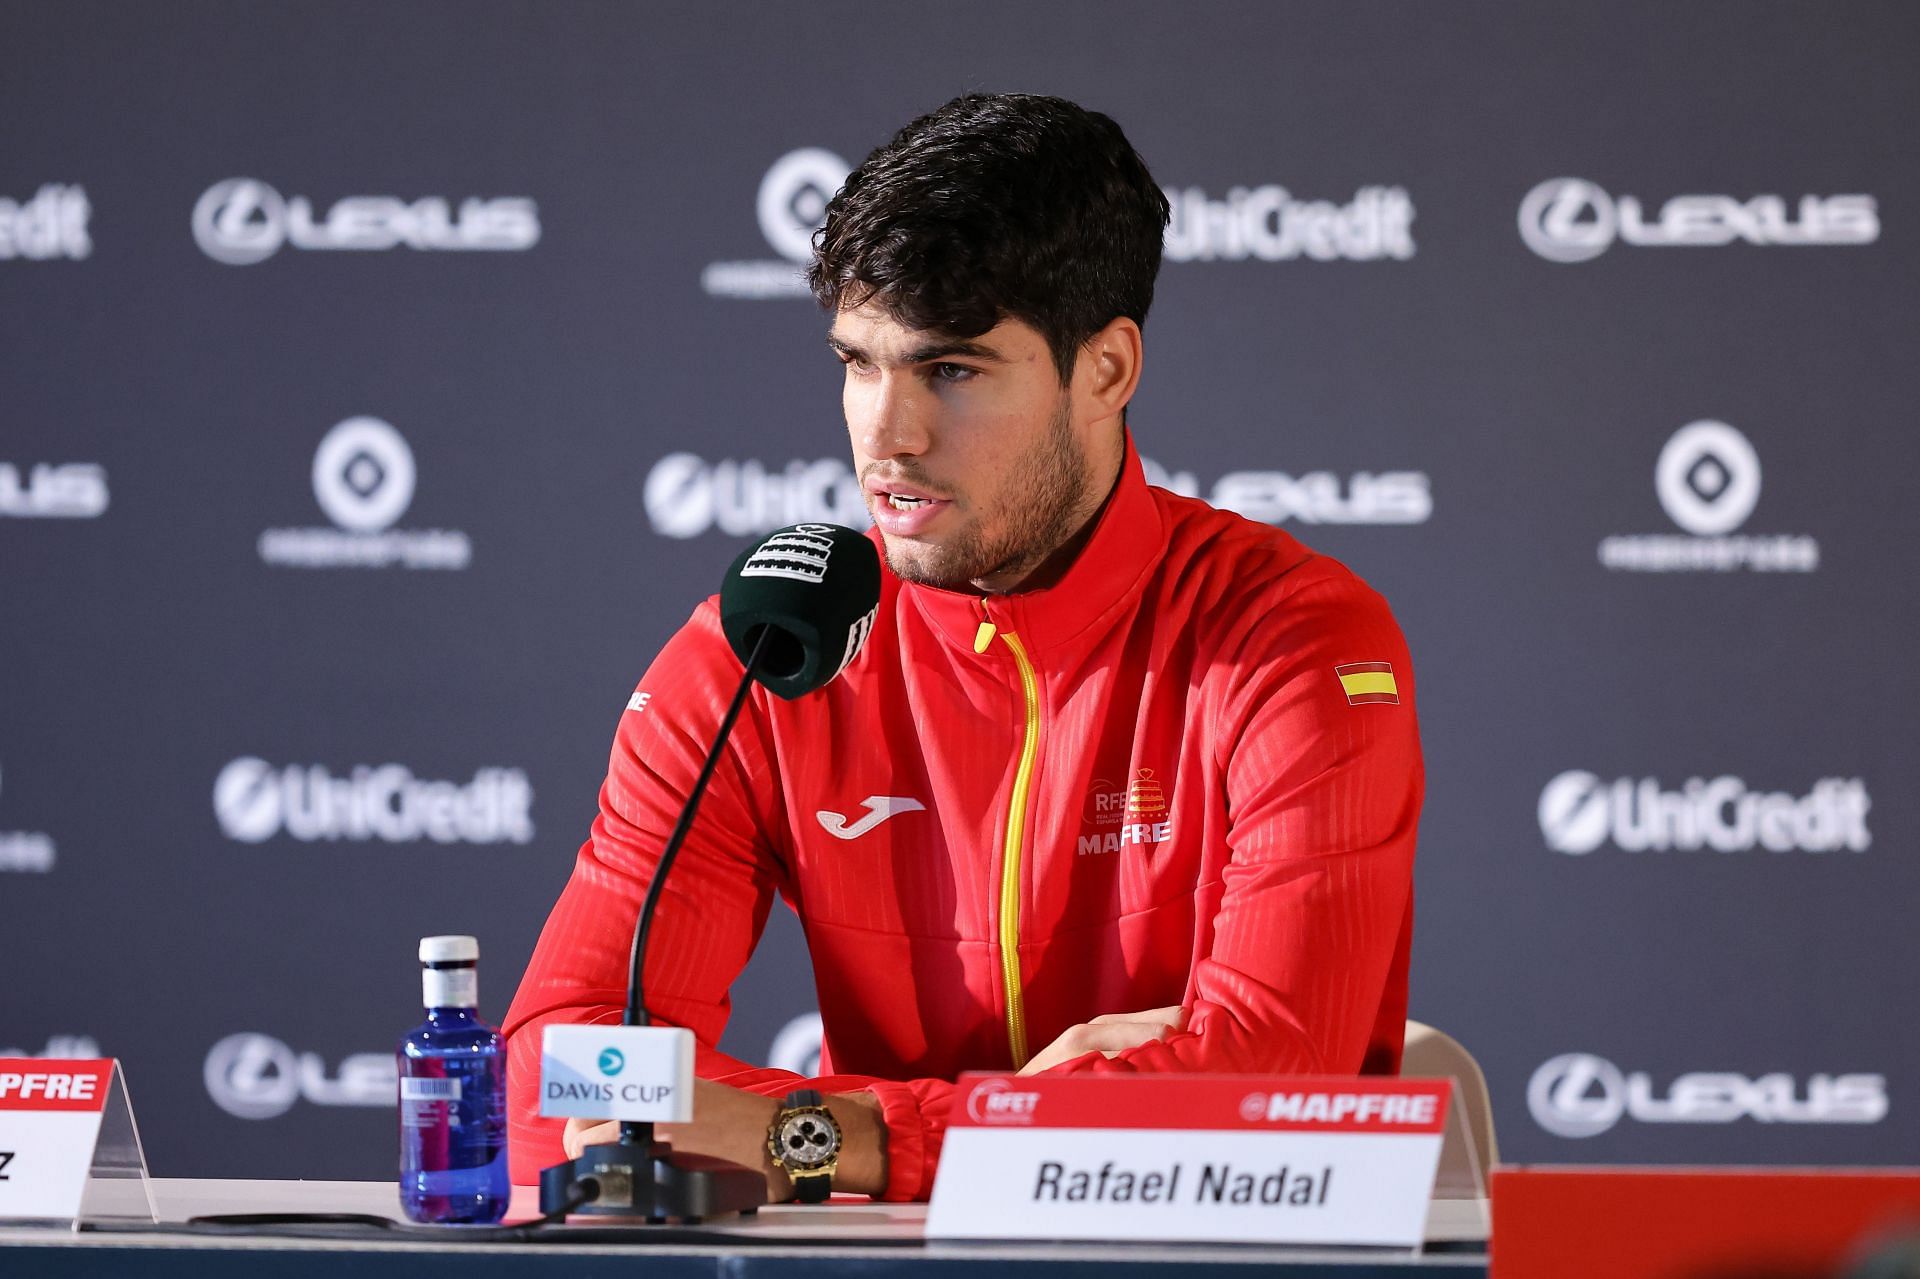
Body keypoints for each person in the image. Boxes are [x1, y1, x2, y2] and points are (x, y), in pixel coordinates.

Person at [504, 92, 1422, 1204]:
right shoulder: (764, 651)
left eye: (952, 371)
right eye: (858, 363)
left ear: (1108, 369)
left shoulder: (1291, 642)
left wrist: (808, 1135)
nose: (888, 437)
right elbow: (555, 1077)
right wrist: (1051, 1117)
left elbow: (1266, 1096)